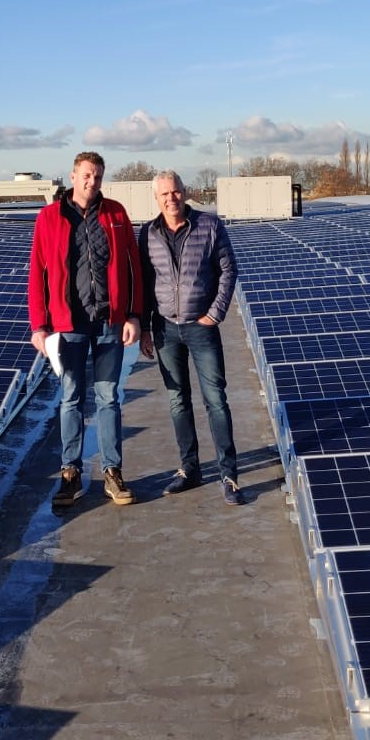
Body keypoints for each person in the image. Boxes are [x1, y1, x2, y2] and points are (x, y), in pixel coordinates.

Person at [28, 151, 144, 509]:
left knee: (109, 397)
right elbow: (37, 273)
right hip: (68, 324)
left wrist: (135, 314)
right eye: (86, 175)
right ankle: (71, 472)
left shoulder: (116, 213)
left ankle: (112, 471)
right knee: (71, 398)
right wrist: (39, 326)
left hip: (109, 321)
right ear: (73, 176)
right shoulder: (49, 217)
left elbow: (133, 266)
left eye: (97, 176)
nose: (92, 182)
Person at [137, 170, 243, 505]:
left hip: (202, 327)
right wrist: (143, 326)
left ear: (185, 193)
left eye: (176, 192)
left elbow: (228, 269)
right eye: (164, 194)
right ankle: (190, 469)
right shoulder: (148, 234)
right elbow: (142, 282)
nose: (171, 198)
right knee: (177, 401)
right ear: (157, 198)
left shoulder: (209, 226)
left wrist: (216, 313)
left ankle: (229, 475)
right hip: (165, 327)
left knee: (215, 400)